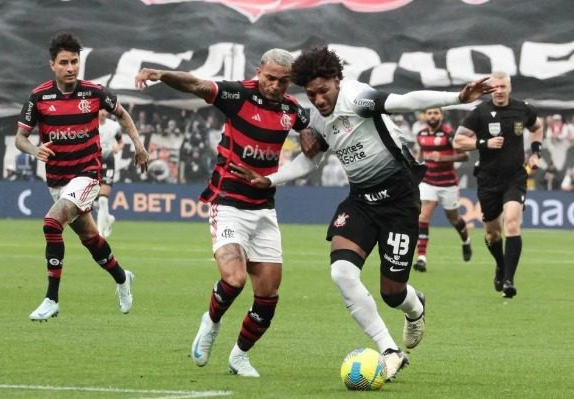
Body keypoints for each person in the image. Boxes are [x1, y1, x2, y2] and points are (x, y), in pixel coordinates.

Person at [229, 46, 494, 381]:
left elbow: (404, 100)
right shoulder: (319, 119)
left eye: (323, 91)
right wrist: (268, 179)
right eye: (311, 95)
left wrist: (458, 96)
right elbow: (310, 160)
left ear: (337, 81)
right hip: (361, 202)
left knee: (392, 293)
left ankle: (416, 308)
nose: (319, 100)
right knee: (341, 273)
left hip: (399, 202)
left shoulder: (358, 99)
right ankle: (389, 349)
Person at [134, 48, 310, 378]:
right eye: (270, 78)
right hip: (227, 202)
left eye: (283, 82)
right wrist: (162, 74)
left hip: (264, 210)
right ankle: (211, 322)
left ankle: (239, 357)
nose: (274, 86)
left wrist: (310, 135)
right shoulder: (237, 94)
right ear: (259, 71)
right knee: (235, 278)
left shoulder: (292, 109)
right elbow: (196, 84)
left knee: (268, 296)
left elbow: (310, 129)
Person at [15, 32, 149, 321]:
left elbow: (123, 114)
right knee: (90, 237)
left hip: (87, 176)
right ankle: (123, 278)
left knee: (52, 223)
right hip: (57, 180)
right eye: (64, 62)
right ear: (52, 64)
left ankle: (51, 298)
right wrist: (34, 149)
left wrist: (139, 146)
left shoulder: (94, 92)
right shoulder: (39, 97)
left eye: (74, 61)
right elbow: (20, 139)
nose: (71, 68)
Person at [453, 71, 543, 299]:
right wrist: (484, 143)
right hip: (487, 179)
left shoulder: (523, 109)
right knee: (493, 234)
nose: (500, 91)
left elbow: (537, 127)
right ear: (490, 90)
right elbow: (458, 141)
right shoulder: (480, 113)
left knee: (512, 223)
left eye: (503, 86)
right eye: (496, 88)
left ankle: (509, 281)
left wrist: (535, 153)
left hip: (515, 177)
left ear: (509, 87)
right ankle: (501, 265)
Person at [413, 107, 471, 273]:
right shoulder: (421, 135)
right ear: (425, 115)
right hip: (428, 181)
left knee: (454, 219)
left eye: (436, 113)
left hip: (448, 183)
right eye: (429, 113)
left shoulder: (449, 134)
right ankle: (421, 258)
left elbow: (464, 156)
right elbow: (420, 155)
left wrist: (444, 158)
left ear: (441, 115)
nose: (432, 116)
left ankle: (466, 241)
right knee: (423, 217)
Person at [96, 109, 124, 237]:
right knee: (95, 202)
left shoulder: (114, 126)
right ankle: (107, 218)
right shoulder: (90, 125)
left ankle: (100, 233)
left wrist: (117, 148)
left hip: (108, 161)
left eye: (104, 110)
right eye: (100, 110)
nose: (103, 113)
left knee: (102, 199)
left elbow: (121, 142)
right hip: (93, 162)